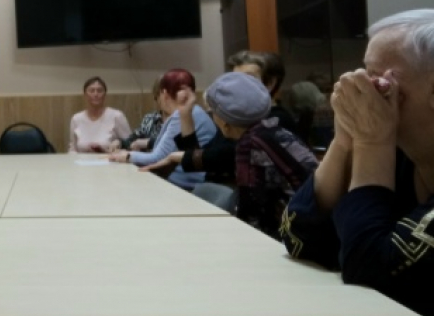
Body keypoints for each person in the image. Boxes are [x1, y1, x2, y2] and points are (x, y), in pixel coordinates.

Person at [281, 9, 434, 316]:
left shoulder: (382, 146)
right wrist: (345, 140)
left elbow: (371, 274)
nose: (364, 90)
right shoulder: (399, 154)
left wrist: (372, 143)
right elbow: (298, 236)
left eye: (381, 81)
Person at [146, 73, 318, 237]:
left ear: (225, 122)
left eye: (212, 111)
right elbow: (201, 156)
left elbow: (251, 215)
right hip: (308, 219)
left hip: (297, 230)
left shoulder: (249, 145)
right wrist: (185, 115)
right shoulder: (271, 128)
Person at [108, 69, 216, 190]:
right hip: (192, 184)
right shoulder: (192, 111)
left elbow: (157, 158)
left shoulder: (183, 115)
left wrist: (128, 155)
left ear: (164, 93)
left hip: (186, 187)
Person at [227, 50, 299, 134]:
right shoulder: (239, 116)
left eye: (248, 78)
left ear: (270, 83)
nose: (238, 84)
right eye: (235, 78)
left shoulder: (277, 121)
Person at [69, 76, 132, 153]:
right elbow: (73, 149)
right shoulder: (76, 119)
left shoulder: (117, 116)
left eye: (99, 91)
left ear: (105, 95)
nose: (96, 94)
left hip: (111, 159)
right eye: (92, 91)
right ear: (85, 95)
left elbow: (129, 144)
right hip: (82, 159)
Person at [121, 78, 166, 151]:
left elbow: (173, 145)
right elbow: (133, 138)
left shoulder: (181, 120)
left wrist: (148, 143)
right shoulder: (150, 118)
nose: (166, 98)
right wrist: (119, 142)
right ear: (156, 97)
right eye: (161, 93)